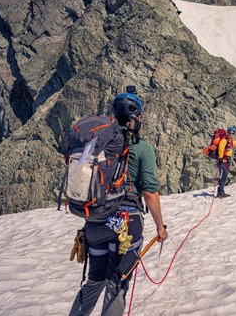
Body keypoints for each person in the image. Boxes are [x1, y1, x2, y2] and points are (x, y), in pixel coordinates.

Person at [69, 89, 168, 316]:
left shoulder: (100, 145)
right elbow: (150, 191)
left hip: (94, 223)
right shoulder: (142, 148)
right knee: (117, 284)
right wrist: (160, 227)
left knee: (94, 281)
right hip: (126, 224)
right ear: (138, 117)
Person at [216, 126, 236, 198]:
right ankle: (220, 193)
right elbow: (220, 149)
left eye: (232, 133)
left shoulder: (230, 141)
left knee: (224, 176)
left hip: (227, 160)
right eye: (230, 133)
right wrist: (220, 158)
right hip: (223, 161)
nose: (231, 134)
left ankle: (221, 192)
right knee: (222, 177)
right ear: (227, 133)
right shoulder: (224, 140)